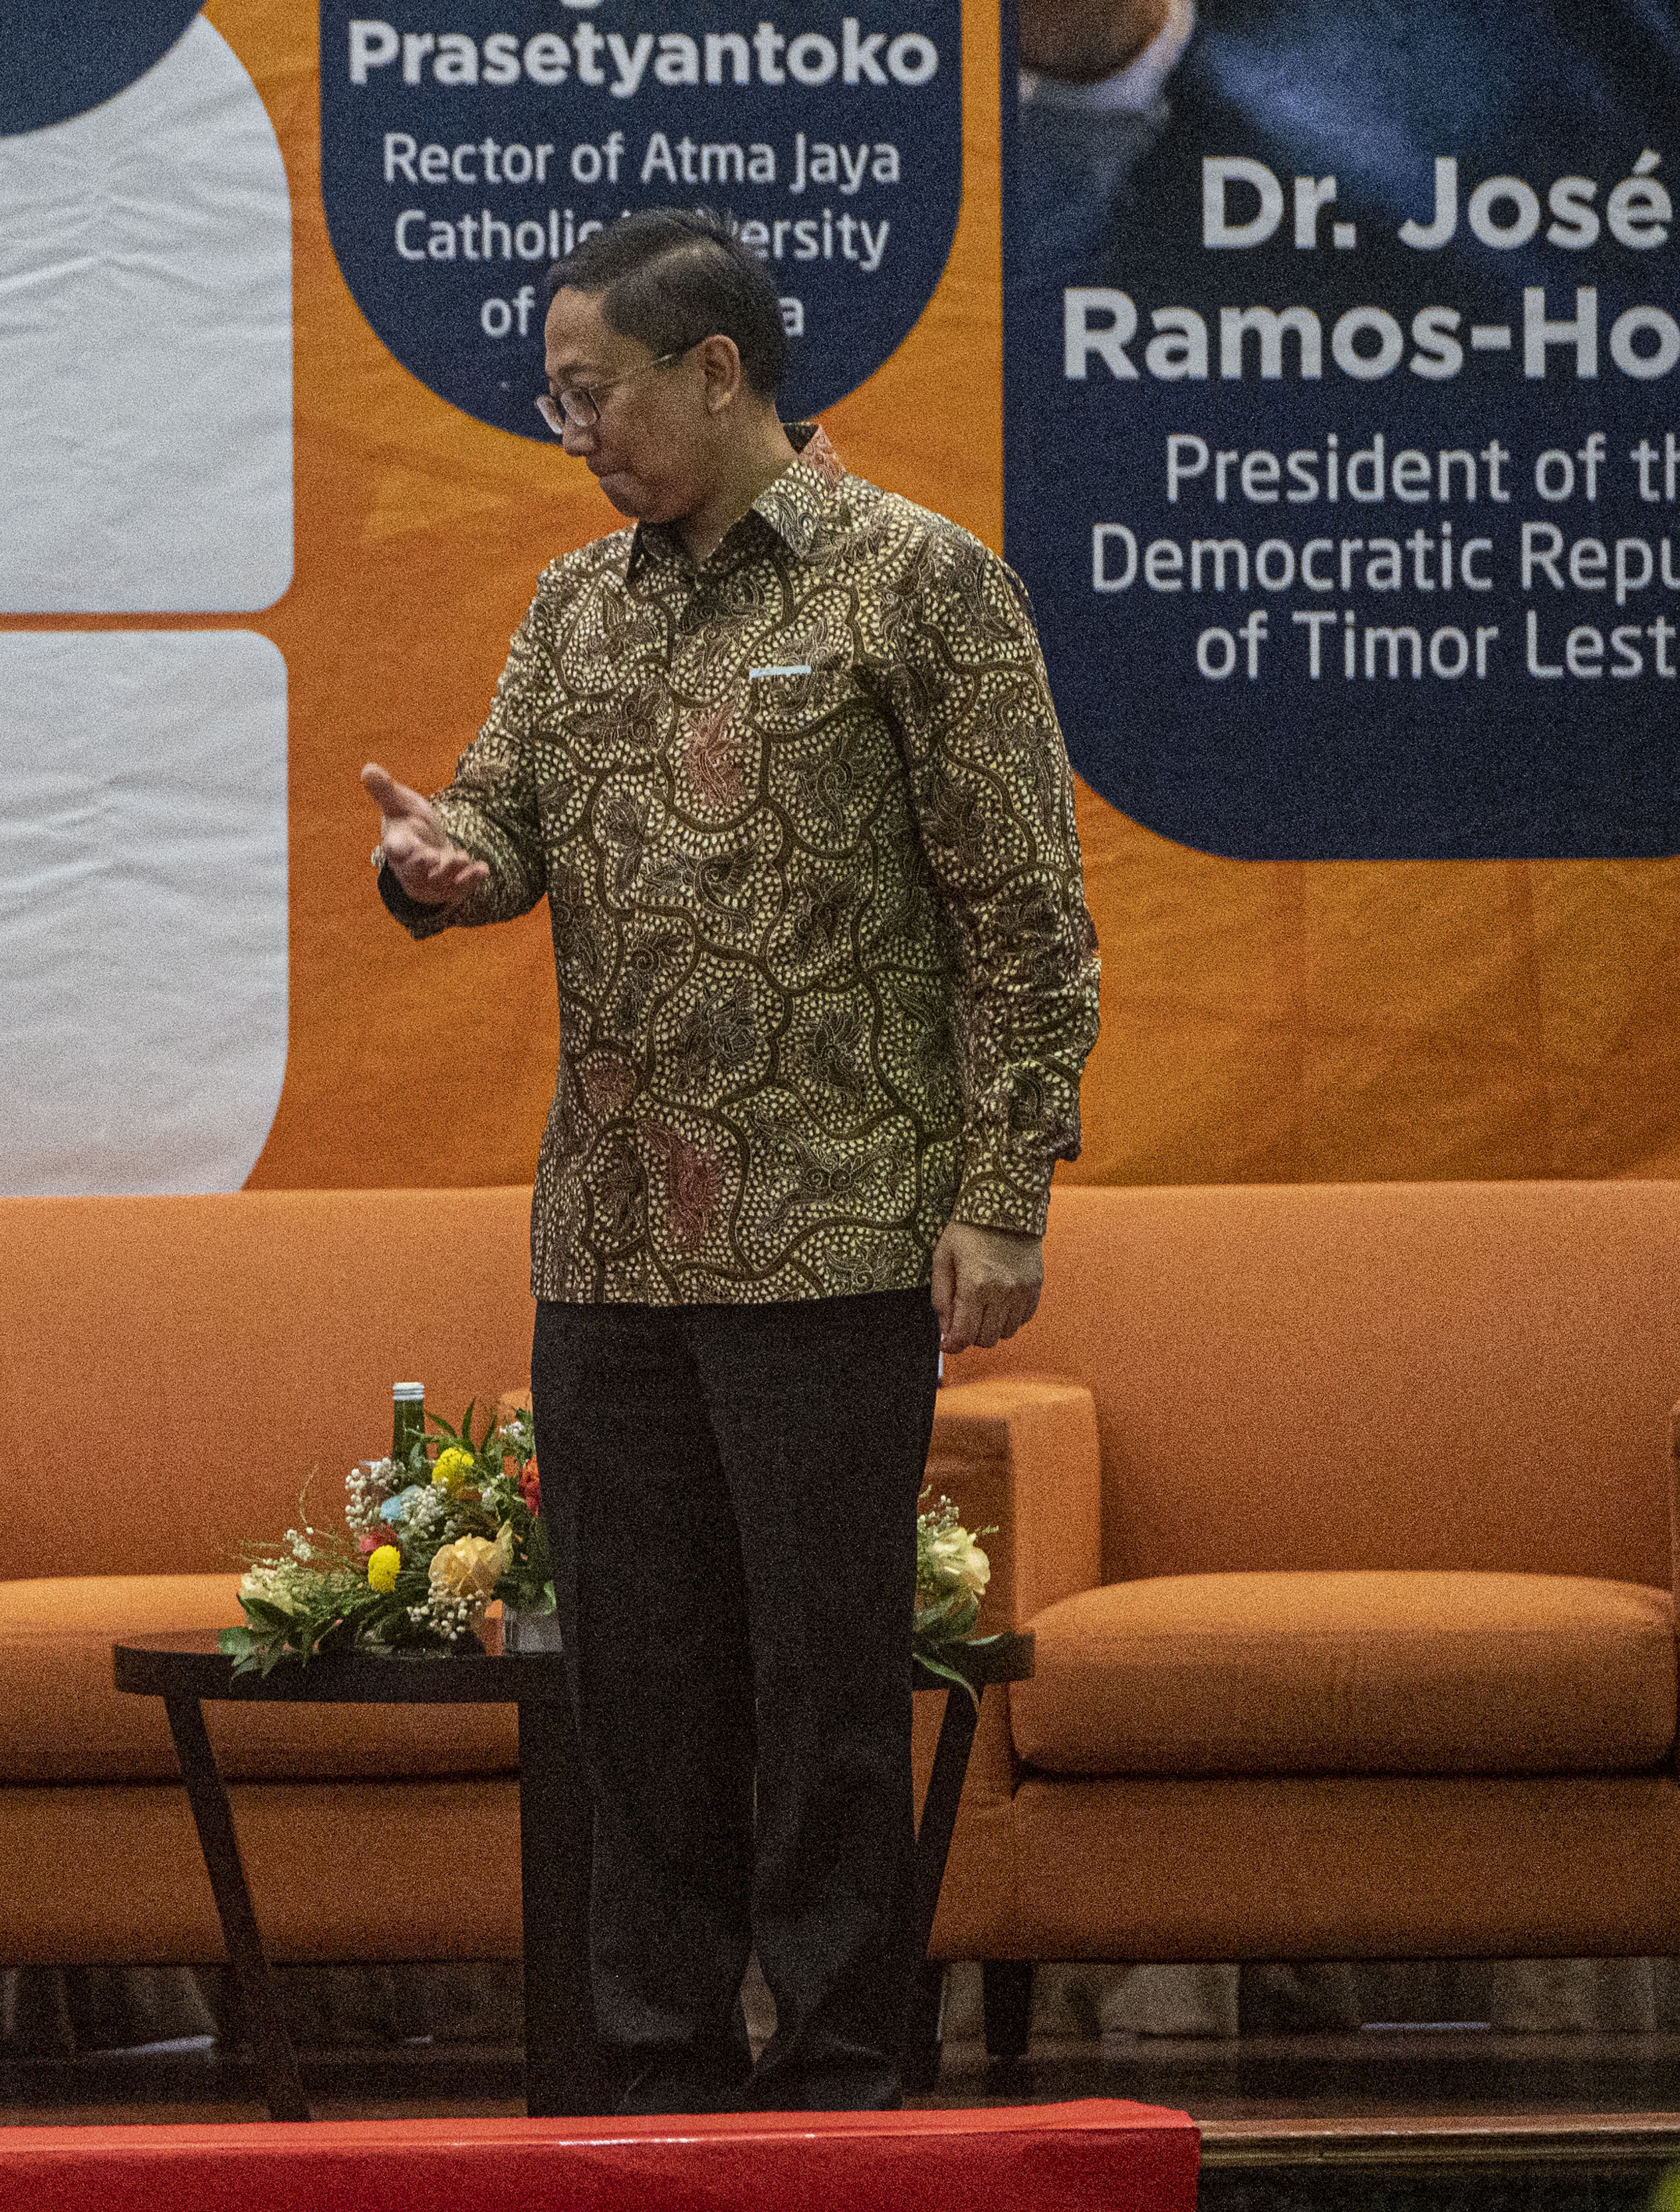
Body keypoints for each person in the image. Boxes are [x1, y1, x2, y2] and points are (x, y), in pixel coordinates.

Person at [363, 207, 1100, 2113]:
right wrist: (442, 869)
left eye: (592, 393)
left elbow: (1028, 923)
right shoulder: (572, 604)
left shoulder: (920, 584)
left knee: (826, 1686)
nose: (573, 433)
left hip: (841, 1230)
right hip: (611, 1237)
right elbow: (502, 821)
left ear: (716, 370)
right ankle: (648, 2069)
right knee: (637, 1684)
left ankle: (849, 2070)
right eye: (553, 404)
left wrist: (1002, 1196)